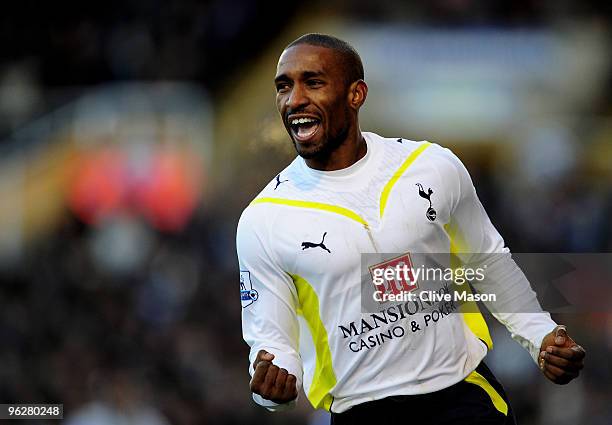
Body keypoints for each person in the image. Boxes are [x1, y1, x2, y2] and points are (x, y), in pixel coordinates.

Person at [236, 33, 586, 424]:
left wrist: (540, 335)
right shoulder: (263, 219)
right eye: (284, 87)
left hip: (463, 396)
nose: (294, 99)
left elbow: (488, 263)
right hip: (362, 411)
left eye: (313, 82)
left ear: (356, 94)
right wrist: (274, 389)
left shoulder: (431, 166)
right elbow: (271, 344)